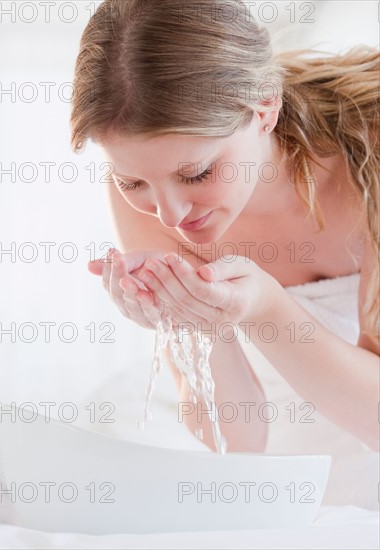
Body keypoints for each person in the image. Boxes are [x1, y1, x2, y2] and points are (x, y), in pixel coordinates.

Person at [70, 0, 379, 457]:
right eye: (132, 180)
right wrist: (193, 316)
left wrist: (266, 308)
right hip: (287, 473)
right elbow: (236, 443)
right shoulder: (140, 202)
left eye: (196, 174)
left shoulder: (371, 154)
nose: (169, 216)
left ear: (265, 110)